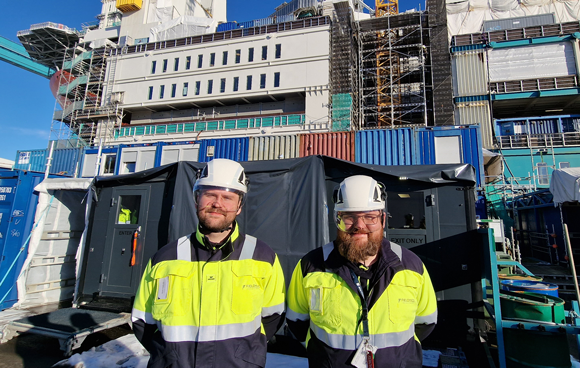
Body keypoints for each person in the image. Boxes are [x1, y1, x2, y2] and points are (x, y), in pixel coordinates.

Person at [132, 158, 286, 368]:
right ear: (197, 199)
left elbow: (273, 317)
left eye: (227, 198)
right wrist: (171, 357)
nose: (217, 204)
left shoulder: (263, 257)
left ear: (239, 206)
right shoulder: (165, 258)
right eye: (210, 195)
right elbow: (143, 322)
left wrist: (242, 355)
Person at [286, 175, 437, 368]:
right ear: (336, 219)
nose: (359, 225)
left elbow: (426, 322)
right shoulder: (312, 266)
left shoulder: (410, 266)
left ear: (383, 219)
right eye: (349, 217)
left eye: (370, 217)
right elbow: (297, 321)